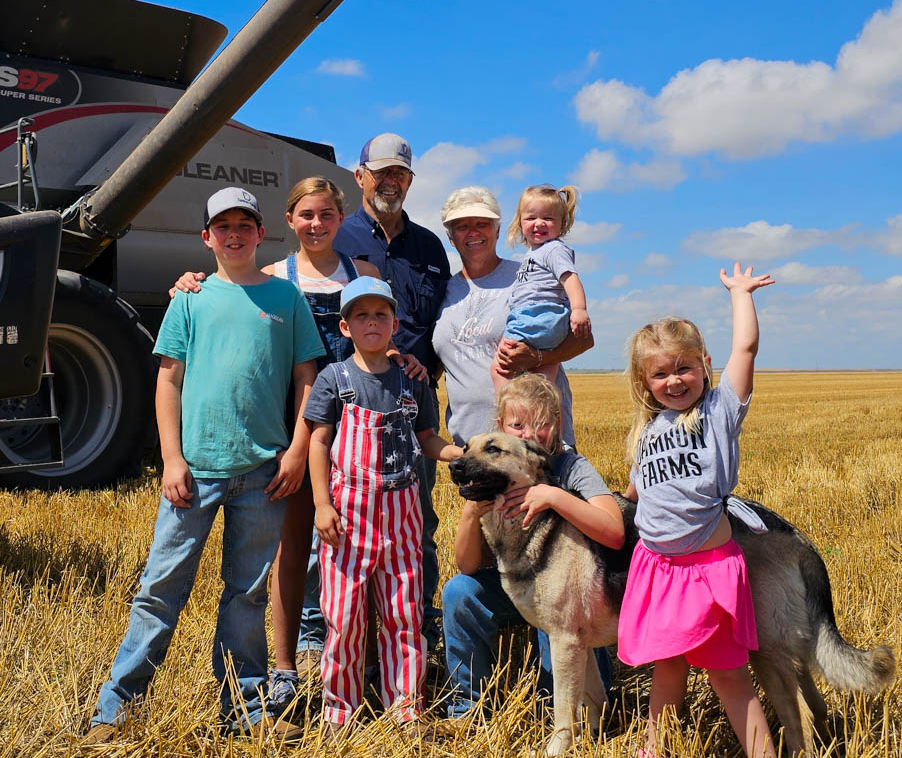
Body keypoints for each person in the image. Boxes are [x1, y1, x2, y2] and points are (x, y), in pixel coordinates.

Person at [85, 187, 325, 744]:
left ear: (262, 234)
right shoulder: (189, 299)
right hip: (194, 472)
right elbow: (168, 379)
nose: (235, 235)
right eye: (224, 227)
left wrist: (294, 451)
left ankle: (244, 709)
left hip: (263, 474)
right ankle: (116, 710)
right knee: (160, 588)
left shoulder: (287, 301)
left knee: (247, 594)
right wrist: (171, 459)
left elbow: (305, 379)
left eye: (246, 225)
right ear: (207, 237)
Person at [255, 177, 424, 713]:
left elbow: (383, 329)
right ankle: (285, 666)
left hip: (360, 425)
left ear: (339, 217)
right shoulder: (273, 275)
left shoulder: (363, 275)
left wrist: (407, 361)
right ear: (290, 218)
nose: (316, 224)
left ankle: (369, 664)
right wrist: (188, 282)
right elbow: (228, 293)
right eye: (306, 214)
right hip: (294, 420)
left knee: (361, 546)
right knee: (293, 544)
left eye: (326, 214)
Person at [617, 264, 775, 758]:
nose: (674, 380)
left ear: (704, 365)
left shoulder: (719, 410)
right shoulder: (648, 427)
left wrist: (741, 294)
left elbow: (745, 349)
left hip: (707, 572)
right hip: (658, 569)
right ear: (645, 380)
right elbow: (639, 490)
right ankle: (654, 748)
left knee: (728, 673)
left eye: (684, 367)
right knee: (667, 667)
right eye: (660, 373)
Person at [305, 276, 462, 729]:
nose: (372, 322)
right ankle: (339, 713)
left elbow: (427, 439)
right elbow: (319, 443)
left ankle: (406, 710)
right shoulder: (334, 379)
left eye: (381, 315)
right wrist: (321, 504)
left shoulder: (412, 381)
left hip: (402, 520)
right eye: (361, 315)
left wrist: (458, 453)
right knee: (345, 621)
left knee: (403, 618)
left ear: (394, 323)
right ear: (345, 326)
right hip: (347, 519)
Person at [439, 374, 624, 720]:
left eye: (540, 424)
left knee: (556, 597)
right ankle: (467, 708)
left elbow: (614, 530)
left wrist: (553, 496)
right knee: (458, 591)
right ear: (501, 426)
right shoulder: (488, 475)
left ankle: (570, 709)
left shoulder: (571, 468)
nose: (528, 434)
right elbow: (466, 565)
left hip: (568, 590)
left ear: (558, 424)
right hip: (509, 586)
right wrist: (471, 512)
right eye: (517, 424)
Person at [332, 134, 452, 645]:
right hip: (351, 408)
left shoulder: (430, 248)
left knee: (417, 520)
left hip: (412, 410)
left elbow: (445, 325)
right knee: (344, 526)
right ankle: (343, 632)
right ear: (359, 176)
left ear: (409, 181)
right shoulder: (336, 237)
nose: (389, 182)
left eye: (399, 174)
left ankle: (415, 622)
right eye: (380, 172)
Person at [431, 186, 594, 448]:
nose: (473, 232)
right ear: (451, 238)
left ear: (497, 230)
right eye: (462, 226)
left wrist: (539, 357)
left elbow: (583, 339)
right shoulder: (442, 292)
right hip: (476, 450)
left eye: (482, 223)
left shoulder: (531, 276)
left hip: (536, 445)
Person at [494, 184, 591, 388]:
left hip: (534, 318)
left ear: (562, 223)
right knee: (545, 379)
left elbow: (570, 278)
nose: (539, 223)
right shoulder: (535, 254)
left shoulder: (553, 249)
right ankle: (542, 410)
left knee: (499, 369)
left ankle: (504, 413)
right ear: (520, 223)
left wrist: (579, 309)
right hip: (549, 323)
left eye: (548, 218)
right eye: (531, 218)